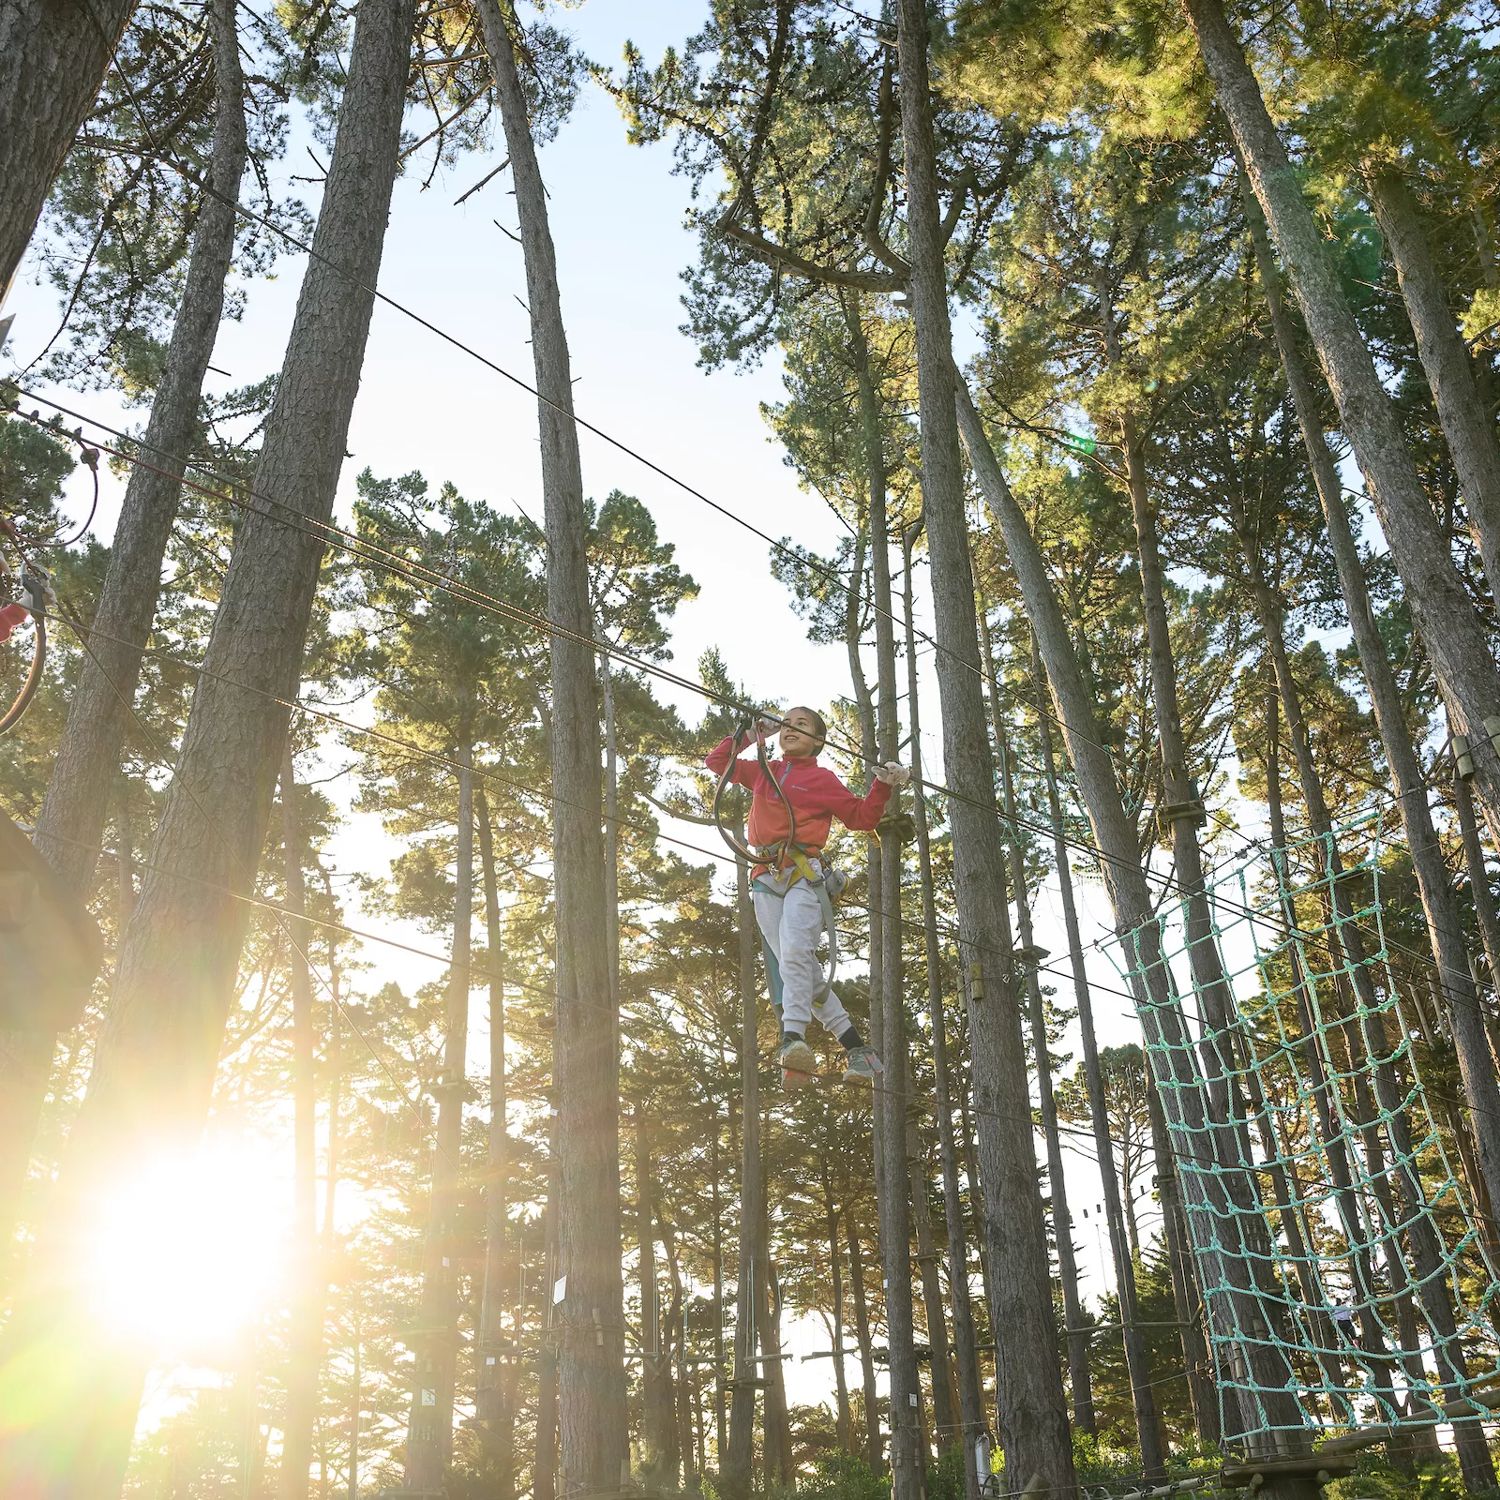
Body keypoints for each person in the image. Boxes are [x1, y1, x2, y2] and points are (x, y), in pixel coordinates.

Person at [706, 706, 910, 1089]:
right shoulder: (764, 772)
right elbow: (717, 762)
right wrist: (752, 734)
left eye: (801, 724)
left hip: (805, 876)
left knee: (796, 954)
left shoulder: (822, 779)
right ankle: (857, 1050)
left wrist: (883, 786)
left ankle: (793, 1038)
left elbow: (861, 818)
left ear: (818, 740)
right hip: (765, 875)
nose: (789, 728)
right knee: (796, 967)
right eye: (785, 723)